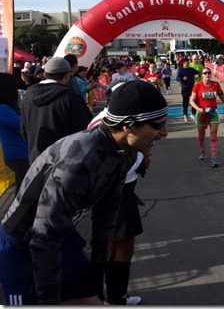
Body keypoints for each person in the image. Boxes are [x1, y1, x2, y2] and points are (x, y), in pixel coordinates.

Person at [0, 80, 168, 305]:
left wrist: (97, 270)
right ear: (128, 126)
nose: (164, 133)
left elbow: (106, 213)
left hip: (60, 237)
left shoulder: (122, 152)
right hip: (22, 244)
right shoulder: (79, 161)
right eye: (158, 126)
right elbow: (43, 240)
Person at [87, 83, 146, 305]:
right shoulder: (105, 124)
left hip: (116, 190)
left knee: (111, 245)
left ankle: (110, 295)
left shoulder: (110, 120)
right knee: (119, 247)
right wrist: (140, 157)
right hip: (115, 191)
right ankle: (113, 297)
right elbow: (114, 160)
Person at [20, 57, 93, 163]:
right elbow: (84, 130)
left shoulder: (28, 96)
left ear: (45, 74)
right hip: (65, 161)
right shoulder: (70, 97)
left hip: (36, 161)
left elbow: (24, 131)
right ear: (67, 75)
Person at [189, 68, 224, 168]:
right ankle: (202, 151)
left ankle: (214, 157)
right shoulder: (197, 86)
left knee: (213, 133)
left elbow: (220, 94)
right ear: (201, 75)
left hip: (213, 112)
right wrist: (199, 109)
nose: (207, 74)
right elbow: (192, 101)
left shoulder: (215, 85)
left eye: (209, 73)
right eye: (205, 73)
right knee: (201, 135)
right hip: (201, 113)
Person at [0, 73, 29, 192]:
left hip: (19, 153)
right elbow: (22, 126)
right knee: (27, 190)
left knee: (22, 187)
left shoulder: (7, 107)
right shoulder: (3, 109)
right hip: (18, 154)